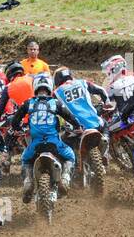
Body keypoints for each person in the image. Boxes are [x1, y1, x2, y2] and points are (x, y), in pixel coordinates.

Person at [7, 73, 82, 201]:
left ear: (35, 87)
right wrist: (77, 127)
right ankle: (65, 178)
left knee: (25, 159)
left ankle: (28, 182)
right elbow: (69, 116)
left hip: (36, 144)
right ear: (49, 87)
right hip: (54, 143)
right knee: (70, 155)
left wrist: (17, 129)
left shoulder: (28, 103)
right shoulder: (55, 103)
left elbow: (15, 121)